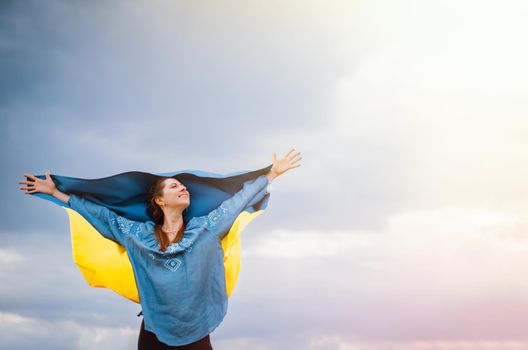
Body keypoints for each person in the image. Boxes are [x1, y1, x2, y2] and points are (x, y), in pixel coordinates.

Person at [18, 149, 302, 349]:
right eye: (175, 186)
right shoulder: (136, 234)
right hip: (155, 333)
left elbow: (238, 201)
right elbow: (100, 215)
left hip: (196, 333)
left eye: (184, 187)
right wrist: (55, 192)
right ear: (160, 201)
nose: (183, 189)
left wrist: (272, 174)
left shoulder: (206, 227)